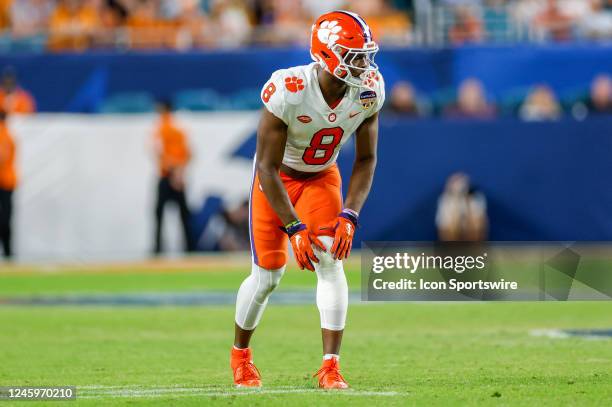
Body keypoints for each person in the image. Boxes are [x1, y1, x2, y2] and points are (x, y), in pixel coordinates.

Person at [230, 10, 385, 389]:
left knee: (330, 262)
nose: (364, 64)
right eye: (354, 55)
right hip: (276, 180)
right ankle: (240, 356)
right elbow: (266, 168)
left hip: (321, 177)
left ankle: (331, 366)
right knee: (267, 276)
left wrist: (350, 213)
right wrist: (294, 226)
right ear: (327, 54)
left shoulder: (369, 91)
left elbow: (366, 159)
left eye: (366, 55)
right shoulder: (288, 89)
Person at [152, 100, 193, 254]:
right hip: (179, 177)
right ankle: (190, 248)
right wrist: (180, 172)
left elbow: (160, 152)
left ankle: (158, 249)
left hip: (167, 176)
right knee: (184, 216)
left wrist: (173, 172)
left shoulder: (162, 129)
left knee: (159, 215)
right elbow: (189, 154)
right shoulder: (179, 129)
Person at [436, 173, 488, 242]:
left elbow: (479, 226)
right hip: (452, 237)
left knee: (478, 225)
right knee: (447, 230)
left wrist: (467, 203)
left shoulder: (477, 198)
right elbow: (445, 228)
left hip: (472, 236)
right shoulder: (445, 200)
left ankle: (474, 249)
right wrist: (456, 203)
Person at [0, 110, 17, 259]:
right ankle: (8, 252)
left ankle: (8, 252)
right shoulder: (7, 133)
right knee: (6, 218)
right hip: (7, 181)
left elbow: (2, 156)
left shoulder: (3, 133)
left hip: (5, 182)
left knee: (5, 219)